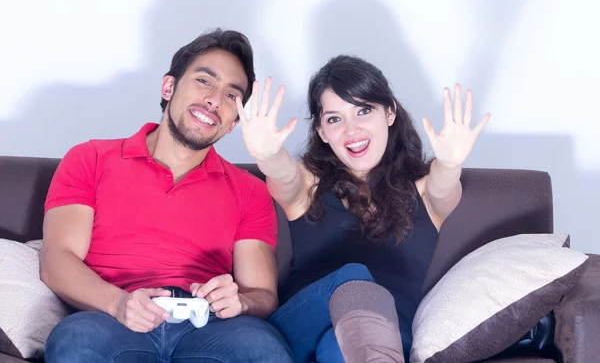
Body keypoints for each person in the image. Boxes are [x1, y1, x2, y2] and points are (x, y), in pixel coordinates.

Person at [40, 28, 292, 363]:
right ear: (168, 86)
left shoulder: (250, 190)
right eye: (204, 81)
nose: (215, 101)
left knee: (264, 351)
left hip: (209, 327)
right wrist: (118, 303)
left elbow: (262, 294)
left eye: (232, 96)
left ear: (233, 122)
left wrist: (241, 301)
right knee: (75, 343)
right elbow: (56, 261)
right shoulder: (90, 159)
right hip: (111, 318)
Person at [235, 54, 490, 362]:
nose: (351, 130)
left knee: (343, 346)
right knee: (355, 278)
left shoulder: (425, 192)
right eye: (334, 119)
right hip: (301, 329)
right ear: (321, 132)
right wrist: (266, 154)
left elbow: (444, 182)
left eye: (364, 110)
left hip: (387, 336)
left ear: (390, 113)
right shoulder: (307, 184)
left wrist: (450, 163)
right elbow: (282, 172)